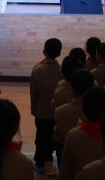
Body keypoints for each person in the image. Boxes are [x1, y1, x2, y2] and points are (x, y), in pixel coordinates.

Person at [30, 38, 63, 177]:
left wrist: (34, 109)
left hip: (41, 112)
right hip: (57, 112)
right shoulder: (62, 70)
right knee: (52, 137)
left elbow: (34, 93)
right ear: (59, 53)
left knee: (41, 137)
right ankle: (49, 159)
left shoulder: (37, 69)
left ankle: (40, 163)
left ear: (44, 51)